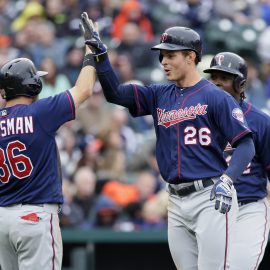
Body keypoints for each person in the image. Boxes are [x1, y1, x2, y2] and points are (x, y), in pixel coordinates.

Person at [82, 15, 255, 269]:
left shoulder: (217, 97)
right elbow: (116, 93)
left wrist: (228, 180)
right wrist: (101, 56)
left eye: (171, 55)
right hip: (175, 200)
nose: (164, 61)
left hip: (210, 196)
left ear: (191, 57)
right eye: (162, 56)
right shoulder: (158, 95)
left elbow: (246, 144)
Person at [0, 12, 96, 270]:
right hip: (35, 215)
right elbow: (84, 90)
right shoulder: (40, 112)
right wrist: (91, 50)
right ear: (33, 85)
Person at [204, 51, 270, 270]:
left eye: (224, 78)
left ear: (240, 84)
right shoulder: (198, 118)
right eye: (213, 78)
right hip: (210, 208)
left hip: (248, 207)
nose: (217, 83)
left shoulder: (260, 122)